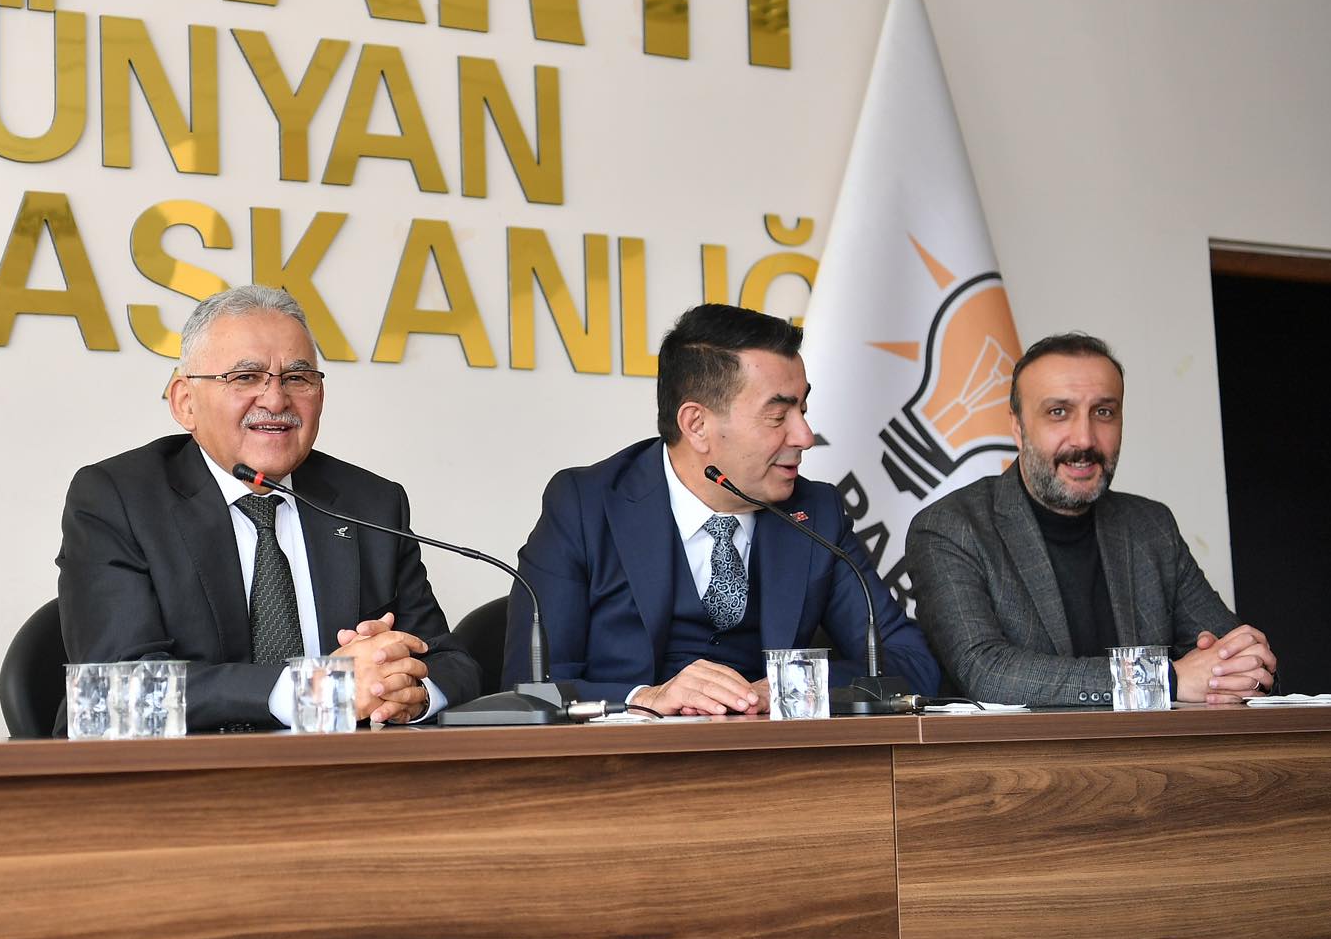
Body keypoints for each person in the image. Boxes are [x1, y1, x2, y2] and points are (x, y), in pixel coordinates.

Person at [57, 285, 481, 729]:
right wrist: (318, 691)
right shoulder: (116, 498)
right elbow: (117, 688)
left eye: (297, 378)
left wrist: (406, 692)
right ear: (185, 402)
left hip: (344, 767)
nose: (276, 400)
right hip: (178, 769)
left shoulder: (370, 504)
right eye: (245, 377)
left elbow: (451, 662)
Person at [508, 303, 938, 712]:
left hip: (775, 756)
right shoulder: (585, 506)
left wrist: (790, 686)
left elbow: (911, 661)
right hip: (623, 756)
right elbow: (528, 688)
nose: (805, 436)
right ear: (696, 425)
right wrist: (644, 698)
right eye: (778, 416)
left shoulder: (816, 513)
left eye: (803, 410)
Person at [905, 332, 1276, 706]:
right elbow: (986, 672)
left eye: (1103, 412)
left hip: (1151, 745)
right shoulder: (951, 528)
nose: (1084, 439)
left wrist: (1243, 665)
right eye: (1058, 412)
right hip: (1017, 747)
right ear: (1018, 427)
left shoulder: (1151, 526)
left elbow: (1236, 654)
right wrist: (1162, 679)